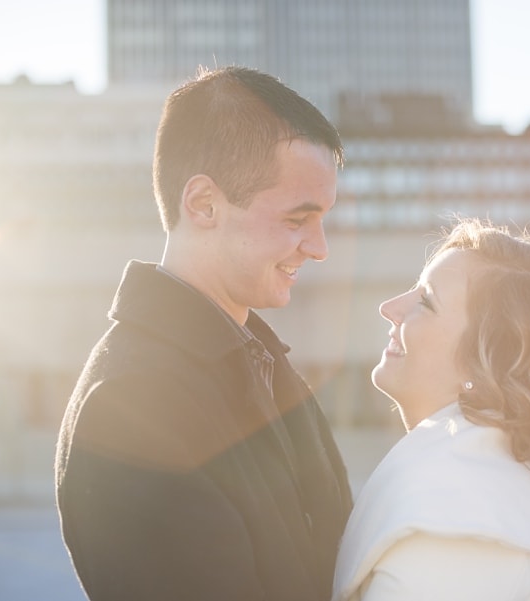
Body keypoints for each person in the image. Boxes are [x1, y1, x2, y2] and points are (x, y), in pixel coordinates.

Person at [55, 66, 353, 601]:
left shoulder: (259, 359)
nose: (319, 246)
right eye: (297, 220)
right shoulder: (134, 404)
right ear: (203, 205)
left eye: (323, 219)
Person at [332, 218, 530, 601]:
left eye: (426, 300)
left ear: (491, 363)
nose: (389, 308)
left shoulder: (461, 527)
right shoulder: (480, 496)